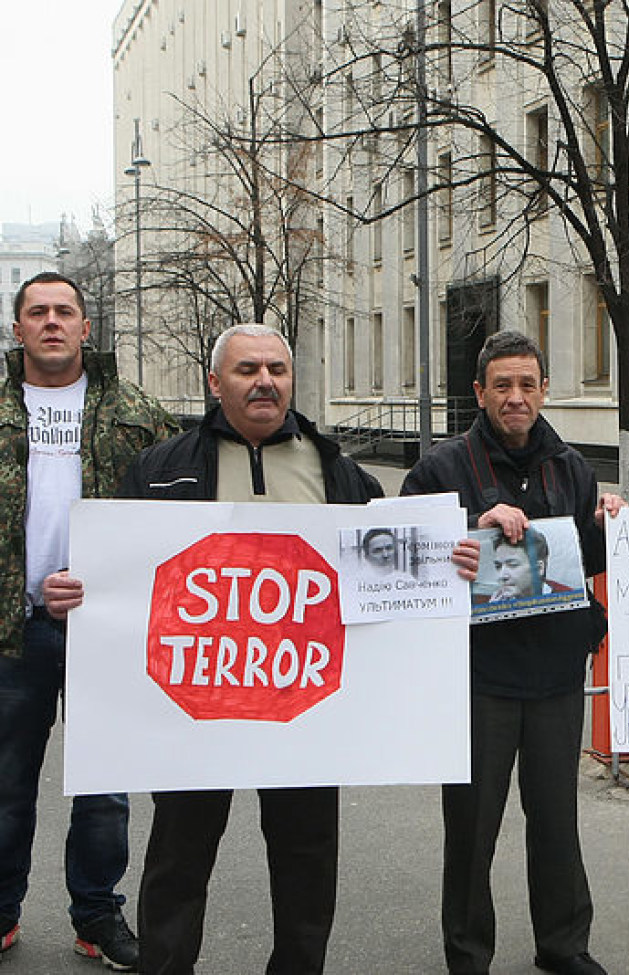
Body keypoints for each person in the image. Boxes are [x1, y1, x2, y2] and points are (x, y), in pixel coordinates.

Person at [47, 324, 477, 975]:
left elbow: (388, 572)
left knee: (307, 864)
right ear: (215, 383)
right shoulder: (160, 471)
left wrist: (452, 555)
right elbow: (116, 571)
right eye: (247, 369)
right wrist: (77, 588)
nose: (265, 380)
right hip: (194, 712)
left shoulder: (338, 472)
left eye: (276, 367)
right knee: (177, 862)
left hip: (306, 712)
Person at [401, 330, 624, 975]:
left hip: (555, 676)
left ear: (544, 389)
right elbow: (404, 559)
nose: (516, 397)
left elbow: (588, 556)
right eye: (502, 385)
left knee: (556, 821)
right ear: (479, 393)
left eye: (527, 384)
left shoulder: (572, 466)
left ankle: (563, 944)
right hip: (478, 680)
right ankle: (468, 954)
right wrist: (471, 530)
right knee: (473, 828)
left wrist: (610, 520)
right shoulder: (441, 469)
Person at [0, 272, 177, 970]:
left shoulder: (135, 409)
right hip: (13, 629)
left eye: (64, 311)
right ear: (17, 330)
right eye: (36, 312)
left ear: (86, 327)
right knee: (8, 784)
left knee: (104, 788)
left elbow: (179, 505)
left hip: (105, 630)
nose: (51, 322)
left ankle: (97, 915)